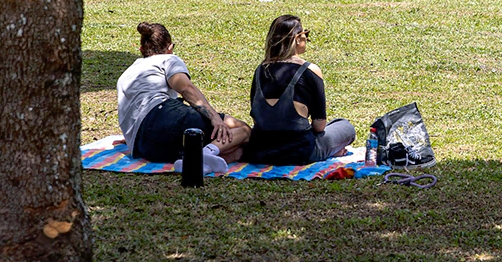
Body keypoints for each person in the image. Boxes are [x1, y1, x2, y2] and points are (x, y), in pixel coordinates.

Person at [117, 23, 251, 173]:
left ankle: (200, 162)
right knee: (243, 130)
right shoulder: (168, 59)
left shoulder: (127, 74)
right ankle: (204, 153)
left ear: (141, 50)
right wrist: (214, 117)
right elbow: (186, 88)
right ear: (170, 47)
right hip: (164, 116)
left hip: (145, 146)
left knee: (237, 151)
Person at [243, 15, 356, 165]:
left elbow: (257, 118)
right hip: (299, 152)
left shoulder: (260, 70)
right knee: (345, 126)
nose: (306, 39)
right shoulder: (310, 70)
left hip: (260, 151)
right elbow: (319, 125)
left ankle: (331, 149)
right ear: (297, 38)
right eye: (305, 34)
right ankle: (332, 150)